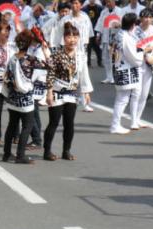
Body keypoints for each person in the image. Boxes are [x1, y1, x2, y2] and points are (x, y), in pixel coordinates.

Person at [43, 23, 92, 161]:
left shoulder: (80, 56)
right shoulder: (57, 54)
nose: (72, 40)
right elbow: (51, 74)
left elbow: (84, 74)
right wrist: (49, 92)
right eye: (69, 37)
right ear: (64, 38)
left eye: (75, 37)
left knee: (69, 123)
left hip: (71, 93)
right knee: (54, 122)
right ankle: (47, 151)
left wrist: (86, 92)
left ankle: (66, 151)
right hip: (57, 91)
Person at [3, 30, 41, 164]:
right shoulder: (30, 60)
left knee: (12, 125)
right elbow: (49, 65)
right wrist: (45, 47)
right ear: (29, 44)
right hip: (25, 99)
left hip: (13, 97)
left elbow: (7, 76)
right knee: (27, 126)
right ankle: (20, 155)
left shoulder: (12, 58)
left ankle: (7, 154)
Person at [108, 14, 144, 134]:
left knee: (121, 99)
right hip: (125, 69)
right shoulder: (126, 37)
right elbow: (133, 57)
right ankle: (115, 125)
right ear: (133, 24)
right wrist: (142, 52)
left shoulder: (120, 34)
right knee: (122, 99)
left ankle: (116, 124)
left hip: (119, 67)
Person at [133, 9, 153, 125]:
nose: (147, 20)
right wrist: (145, 53)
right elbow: (135, 48)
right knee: (136, 93)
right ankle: (133, 119)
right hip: (138, 63)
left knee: (144, 94)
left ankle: (138, 118)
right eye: (145, 17)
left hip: (148, 64)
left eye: (150, 17)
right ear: (140, 18)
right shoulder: (135, 30)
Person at [95, 0, 119, 84]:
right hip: (105, 36)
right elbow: (100, 23)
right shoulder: (103, 12)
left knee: (114, 58)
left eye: (109, 1)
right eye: (106, 2)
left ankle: (114, 77)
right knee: (106, 58)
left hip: (115, 38)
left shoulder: (120, 11)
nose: (108, 4)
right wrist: (98, 34)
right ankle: (108, 77)